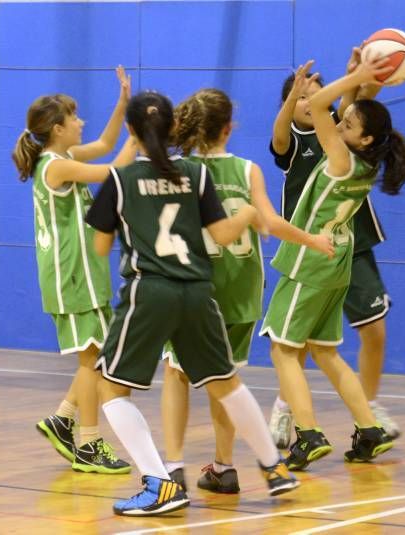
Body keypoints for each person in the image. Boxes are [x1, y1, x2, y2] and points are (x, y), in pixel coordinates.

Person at [85, 90, 300, 516]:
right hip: (198, 292)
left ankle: (159, 483)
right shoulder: (194, 176)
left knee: (109, 385)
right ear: (171, 128)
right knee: (226, 382)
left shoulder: (120, 179)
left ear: (131, 131)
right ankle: (275, 468)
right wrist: (249, 217)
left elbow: (99, 246)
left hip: (150, 292)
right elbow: (221, 235)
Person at [159, 88, 333, 494]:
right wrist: (312, 240)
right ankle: (223, 467)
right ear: (228, 128)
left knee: (176, 373)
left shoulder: (176, 169)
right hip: (242, 289)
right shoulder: (249, 169)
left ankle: (172, 467)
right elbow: (270, 225)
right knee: (227, 377)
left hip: (196, 286)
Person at [260, 54, 405, 470]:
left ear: (362, 139)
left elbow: (325, 103)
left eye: (348, 124)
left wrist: (356, 78)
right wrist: (358, 81)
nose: (339, 123)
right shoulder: (364, 160)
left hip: (309, 261)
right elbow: (336, 108)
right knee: (326, 353)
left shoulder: (339, 158)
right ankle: (369, 429)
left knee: (283, 349)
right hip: (337, 261)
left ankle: (308, 435)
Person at [11, 66, 135, 474]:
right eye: (75, 117)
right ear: (58, 129)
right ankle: (88, 443)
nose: (82, 122)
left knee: (94, 355)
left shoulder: (63, 155)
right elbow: (114, 173)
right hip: (72, 274)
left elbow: (104, 143)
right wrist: (139, 139)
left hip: (79, 273)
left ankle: (63, 420)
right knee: (94, 361)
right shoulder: (55, 166)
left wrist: (122, 106)